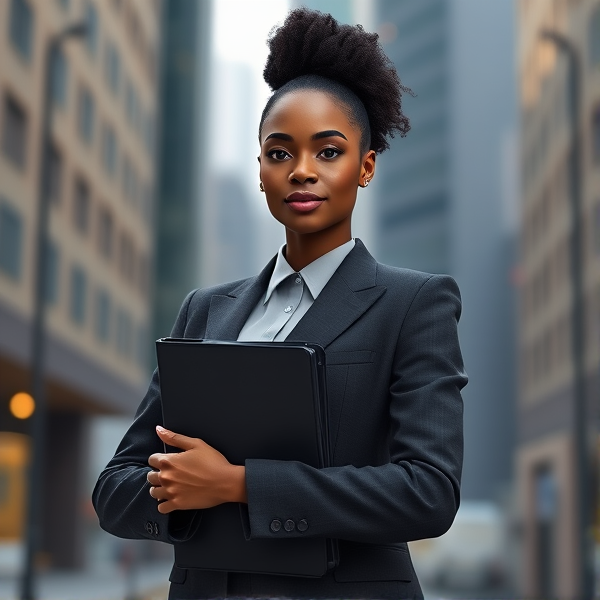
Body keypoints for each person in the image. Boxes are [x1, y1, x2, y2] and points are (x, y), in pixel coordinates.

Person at [93, 8, 467, 599]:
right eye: (279, 152)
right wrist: (180, 490)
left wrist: (239, 485)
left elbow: (428, 492)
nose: (302, 173)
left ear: (365, 167)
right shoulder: (205, 310)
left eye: (329, 151)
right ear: (261, 169)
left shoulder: (413, 304)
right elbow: (115, 488)